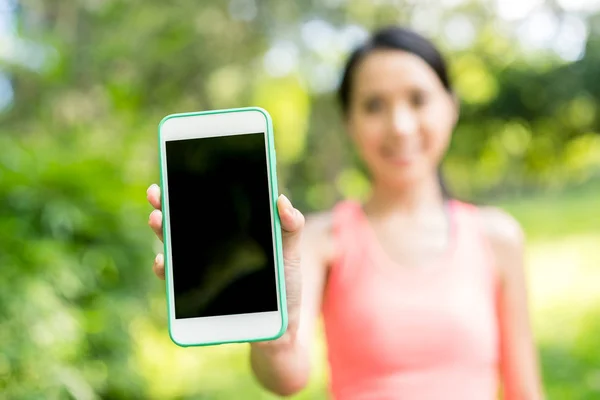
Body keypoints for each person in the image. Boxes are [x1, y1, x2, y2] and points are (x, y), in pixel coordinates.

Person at [146, 26, 543, 399]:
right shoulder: (320, 239)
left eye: (418, 99)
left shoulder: (498, 237)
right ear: (350, 123)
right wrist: (275, 338)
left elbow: (526, 391)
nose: (400, 126)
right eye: (374, 106)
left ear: (451, 106)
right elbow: (287, 377)